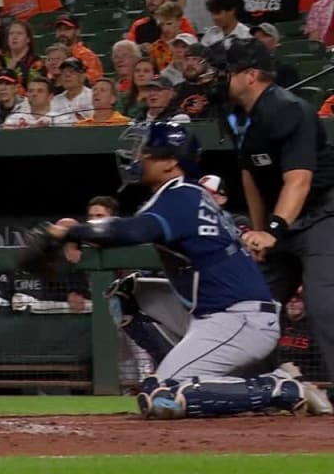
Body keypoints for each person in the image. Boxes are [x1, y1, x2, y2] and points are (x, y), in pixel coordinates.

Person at [35, 122, 331, 419]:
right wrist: (84, 233)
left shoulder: (181, 196)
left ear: (170, 163)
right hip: (215, 313)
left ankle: (280, 388)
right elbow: (130, 229)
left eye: (146, 152)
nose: (138, 157)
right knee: (128, 293)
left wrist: (72, 233)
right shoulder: (184, 193)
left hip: (239, 318)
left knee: (163, 397)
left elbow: (136, 230)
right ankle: (179, 368)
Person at [219, 38, 334, 386]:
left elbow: (298, 180)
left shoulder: (290, 108)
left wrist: (272, 229)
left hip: (321, 212)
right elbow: (250, 175)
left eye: (229, 72)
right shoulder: (238, 116)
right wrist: (258, 235)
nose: (223, 78)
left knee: (324, 305)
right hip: (280, 221)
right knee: (256, 306)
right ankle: (257, 389)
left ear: (250, 75)